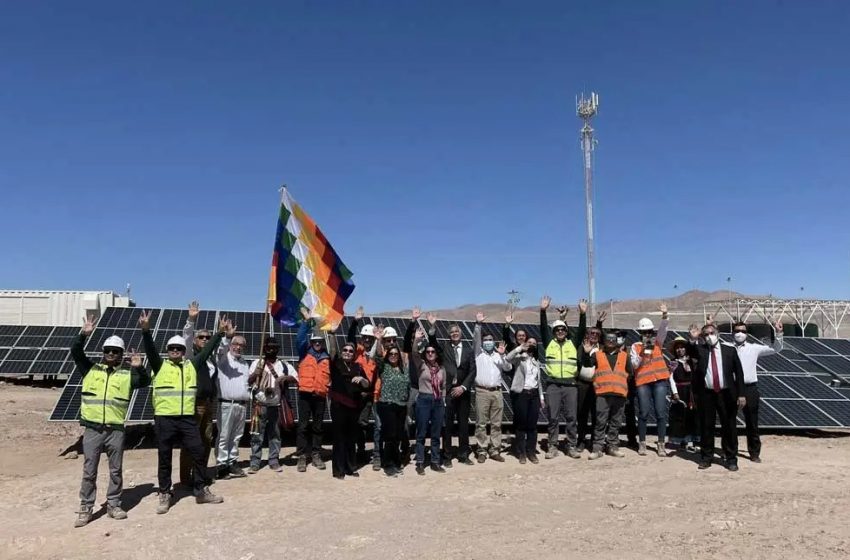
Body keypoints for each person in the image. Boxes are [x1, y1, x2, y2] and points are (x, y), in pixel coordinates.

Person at [140, 310, 226, 514]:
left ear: (183, 350)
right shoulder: (159, 366)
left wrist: (220, 334)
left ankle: (200, 490)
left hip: (187, 418)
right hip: (165, 419)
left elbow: (206, 351)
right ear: (168, 350)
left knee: (198, 451)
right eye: (172, 348)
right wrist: (145, 331)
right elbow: (150, 350)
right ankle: (165, 493)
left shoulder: (191, 365)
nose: (176, 351)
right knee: (165, 457)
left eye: (179, 348)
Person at [71, 315, 150, 527]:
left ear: (121, 354)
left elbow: (144, 382)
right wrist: (83, 334)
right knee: (89, 471)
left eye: (116, 351)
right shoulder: (90, 369)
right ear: (103, 353)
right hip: (92, 430)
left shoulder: (126, 375)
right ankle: (85, 507)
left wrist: (139, 367)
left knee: (115, 470)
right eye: (108, 351)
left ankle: (114, 504)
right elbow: (75, 352)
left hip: (115, 430)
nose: (111, 354)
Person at [688, 322, 746, 471]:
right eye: (706, 334)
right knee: (707, 426)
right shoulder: (700, 350)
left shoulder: (729, 350)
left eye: (711, 333)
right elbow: (690, 352)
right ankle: (706, 457)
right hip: (707, 394)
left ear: (718, 334)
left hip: (726, 393)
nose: (709, 337)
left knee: (729, 426)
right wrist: (693, 339)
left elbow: (739, 373)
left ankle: (731, 458)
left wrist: (741, 394)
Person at [539, 296, 588, 459]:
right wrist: (543, 311)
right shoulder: (549, 343)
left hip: (570, 385)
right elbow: (542, 329)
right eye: (557, 330)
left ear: (566, 331)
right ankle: (552, 446)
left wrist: (583, 314)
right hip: (553, 385)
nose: (560, 331)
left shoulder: (572, 343)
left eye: (563, 329)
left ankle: (571, 446)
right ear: (554, 332)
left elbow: (581, 331)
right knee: (553, 416)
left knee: (571, 417)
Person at [731, 319, 784, 463]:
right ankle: (730, 451)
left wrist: (778, 333)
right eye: (737, 331)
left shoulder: (754, 348)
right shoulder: (727, 347)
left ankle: (754, 452)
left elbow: (775, 349)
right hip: (733, 388)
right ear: (732, 333)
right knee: (730, 422)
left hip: (750, 388)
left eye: (742, 331)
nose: (740, 334)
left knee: (752, 422)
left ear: (747, 334)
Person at [180, 301, 219, 487]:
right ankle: (186, 478)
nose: (205, 339)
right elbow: (186, 337)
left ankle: (200, 474)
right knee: (191, 442)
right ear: (196, 341)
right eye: (201, 337)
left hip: (209, 404)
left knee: (206, 440)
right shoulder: (190, 356)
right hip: (195, 404)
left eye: (207, 337)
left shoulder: (211, 359)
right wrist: (191, 320)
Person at [629, 303, 675, 457]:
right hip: (643, 383)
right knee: (643, 412)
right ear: (640, 332)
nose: (647, 334)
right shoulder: (635, 346)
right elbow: (634, 365)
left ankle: (661, 444)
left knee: (661, 413)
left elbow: (663, 330)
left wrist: (664, 315)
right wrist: (643, 352)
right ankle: (642, 443)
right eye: (644, 331)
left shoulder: (658, 343)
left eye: (649, 331)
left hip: (660, 381)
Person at [247, 338, 298, 473]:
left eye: (274, 347)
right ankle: (255, 462)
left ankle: (274, 460)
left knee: (275, 435)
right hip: (259, 405)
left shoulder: (284, 365)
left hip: (276, 406)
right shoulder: (257, 363)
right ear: (264, 348)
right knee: (257, 435)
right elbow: (248, 381)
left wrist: (285, 378)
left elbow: (296, 379)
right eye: (269, 347)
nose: (271, 350)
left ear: (278, 349)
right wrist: (255, 374)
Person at [405, 315, 446, 475]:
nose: (430, 353)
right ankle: (420, 462)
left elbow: (443, 386)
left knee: (436, 433)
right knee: (421, 432)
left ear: (436, 353)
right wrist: (416, 339)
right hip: (423, 400)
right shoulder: (421, 365)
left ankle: (435, 461)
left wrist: (442, 400)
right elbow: (414, 352)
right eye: (428, 351)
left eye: (432, 351)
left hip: (437, 402)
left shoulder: (441, 369)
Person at [327, 335, 371, 479]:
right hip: (339, 406)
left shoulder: (358, 367)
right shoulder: (336, 364)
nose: (347, 352)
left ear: (354, 354)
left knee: (351, 438)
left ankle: (350, 467)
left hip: (354, 407)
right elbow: (332, 350)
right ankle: (338, 470)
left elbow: (367, 385)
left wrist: (362, 379)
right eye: (345, 350)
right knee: (339, 438)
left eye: (351, 351)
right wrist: (332, 334)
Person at [437, 311, 477, 467]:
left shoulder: (468, 350)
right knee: (447, 425)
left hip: (463, 393)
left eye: (456, 332)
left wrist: (463, 387)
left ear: (461, 334)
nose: (454, 334)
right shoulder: (445, 347)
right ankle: (446, 456)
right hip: (448, 392)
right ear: (449, 335)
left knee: (463, 425)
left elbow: (473, 371)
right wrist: (432, 328)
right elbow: (432, 342)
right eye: (452, 332)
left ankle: (463, 454)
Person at [472, 312, 512, 463]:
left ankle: (495, 450)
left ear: (494, 342)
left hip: (497, 392)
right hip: (482, 391)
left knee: (496, 424)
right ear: (482, 342)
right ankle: (482, 450)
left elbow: (508, 368)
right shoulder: (478, 354)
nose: (488, 342)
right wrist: (478, 324)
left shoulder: (498, 355)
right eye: (486, 340)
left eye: (490, 340)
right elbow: (476, 338)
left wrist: (502, 355)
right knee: (481, 423)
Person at [587, 332, 634, 460]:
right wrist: (586, 353)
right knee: (600, 421)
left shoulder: (625, 356)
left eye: (613, 340)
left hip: (619, 394)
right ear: (604, 341)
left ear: (617, 341)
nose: (611, 342)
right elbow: (587, 368)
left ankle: (612, 446)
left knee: (616, 422)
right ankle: (597, 448)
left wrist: (620, 383)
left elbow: (630, 373)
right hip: (602, 393)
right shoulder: (597, 355)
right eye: (608, 339)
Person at [295, 309, 331, 472]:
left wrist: (333, 334)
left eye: (320, 342)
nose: (317, 344)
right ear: (311, 342)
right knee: (303, 426)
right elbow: (299, 339)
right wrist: (306, 322)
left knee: (318, 427)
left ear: (323, 343)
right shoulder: (304, 353)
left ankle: (316, 454)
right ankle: (302, 456)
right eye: (315, 341)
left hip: (320, 396)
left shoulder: (327, 357)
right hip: (305, 395)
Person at [215, 331, 252, 479]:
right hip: (226, 404)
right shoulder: (224, 359)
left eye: (241, 345)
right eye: (235, 344)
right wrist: (227, 337)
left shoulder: (244, 363)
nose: (238, 347)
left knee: (236, 436)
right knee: (224, 436)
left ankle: (232, 462)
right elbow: (221, 349)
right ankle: (222, 465)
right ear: (231, 345)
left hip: (241, 405)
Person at [348, 307, 380, 470]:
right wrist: (355, 321)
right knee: (358, 424)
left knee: (371, 425)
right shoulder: (357, 352)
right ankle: (358, 451)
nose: (367, 340)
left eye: (370, 338)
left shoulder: (377, 353)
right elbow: (350, 339)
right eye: (365, 338)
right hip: (359, 396)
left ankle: (370, 453)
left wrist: (379, 339)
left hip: (374, 395)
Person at [373, 341, 411, 477]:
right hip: (387, 405)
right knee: (390, 435)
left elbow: (408, 386)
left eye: (396, 354)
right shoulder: (384, 367)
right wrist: (379, 340)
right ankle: (387, 464)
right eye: (391, 354)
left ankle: (395, 461)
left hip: (401, 406)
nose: (394, 356)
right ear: (387, 355)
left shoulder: (404, 369)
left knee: (398, 435)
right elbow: (377, 357)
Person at [505, 337, 544, 464]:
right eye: (529, 343)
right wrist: (519, 348)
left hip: (534, 395)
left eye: (534, 343)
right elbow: (507, 358)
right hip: (521, 394)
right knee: (521, 425)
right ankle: (521, 452)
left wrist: (541, 397)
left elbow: (538, 382)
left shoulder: (536, 362)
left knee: (532, 425)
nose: (532, 345)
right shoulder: (519, 358)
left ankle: (531, 452)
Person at [576, 312, 608, 451]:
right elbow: (579, 362)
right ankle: (581, 440)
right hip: (583, 383)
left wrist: (599, 324)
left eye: (596, 334)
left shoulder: (603, 348)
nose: (593, 335)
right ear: (587, 335)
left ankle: (596, 441)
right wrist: (585, 352)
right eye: (591, 333)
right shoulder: (581, 346)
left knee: (597, 413)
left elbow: (605, 337)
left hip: (598, 385)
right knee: (582, 412)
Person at [667, 337, 699, 452]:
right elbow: (671, 378)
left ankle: (695, 441)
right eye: (678, 348)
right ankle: (680, 441)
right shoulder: (673, 362)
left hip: (692, 392)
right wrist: (675, 392)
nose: (680, 350)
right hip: (680, 391)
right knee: (679, 416)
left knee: (694, 416)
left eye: (682, 347)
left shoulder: (693, 361)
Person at [619, 330, 639, 449]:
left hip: (628, 387)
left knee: (630, 414)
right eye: (618, 336)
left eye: (621, 337)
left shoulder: (629, 352)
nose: (619, 339)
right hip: (615, 387)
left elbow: (634, 367)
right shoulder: (609, 351)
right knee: (614, 414)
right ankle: (613, 439)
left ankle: (632, 439)